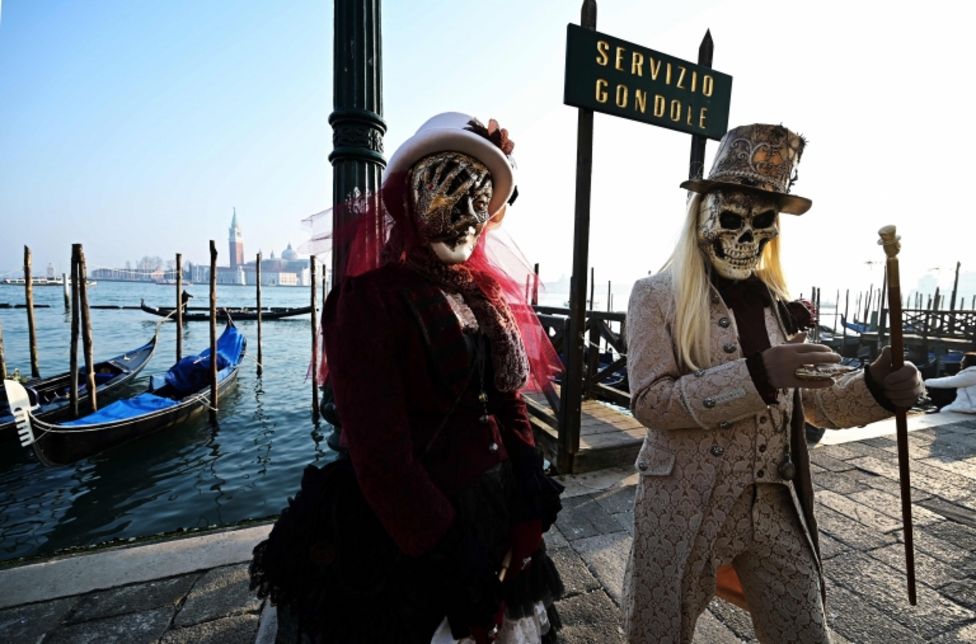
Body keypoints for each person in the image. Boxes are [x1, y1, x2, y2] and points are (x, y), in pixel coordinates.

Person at [250, 112, 564, 644]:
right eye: (449, 190)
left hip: (494, 510)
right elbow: (382, 456)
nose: (468, 215)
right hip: (410, 533)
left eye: (480, 199)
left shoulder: (483, 297)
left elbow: (507, 403)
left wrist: (528, 504)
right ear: (409, 199)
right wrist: (453, 559)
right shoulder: (371, 301)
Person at [622, 124, 923, 644]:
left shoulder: (778, 303)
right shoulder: (655, 296)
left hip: (772, 503)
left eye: (763, 223)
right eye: (733, 219)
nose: (747, 238)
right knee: (656, 631)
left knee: (804, 631)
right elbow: (651, 401)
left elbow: (818, 406)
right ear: (703, 216)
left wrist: (876, 386)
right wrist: (760, 374)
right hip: (682, 503)